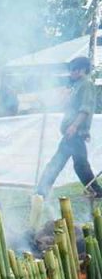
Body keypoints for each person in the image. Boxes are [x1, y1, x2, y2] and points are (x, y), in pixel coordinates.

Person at [36, 56, 102, 198]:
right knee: (80, 165)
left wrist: (74, 126)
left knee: (59, 163)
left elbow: (85, 109)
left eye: (73, 70)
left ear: (82, 70)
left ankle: (41, 192)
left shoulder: (86, 84)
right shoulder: (77, 85)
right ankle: (97, 191)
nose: (71, 73)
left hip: (74, 132)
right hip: (74, 132)